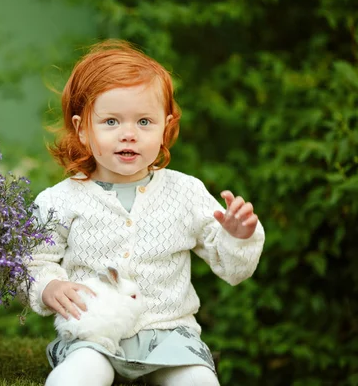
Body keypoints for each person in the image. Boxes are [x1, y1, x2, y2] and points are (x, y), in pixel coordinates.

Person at [25, 39, 265, 386]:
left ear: (165, 128)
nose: (128, 134)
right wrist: (49, 286)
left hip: (170, 332)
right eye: (110, 121)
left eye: (144, 121)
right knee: (81, 375)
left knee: (197, 380)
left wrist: (237, 237)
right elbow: (31, 260)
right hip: (94, 333)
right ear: (82, 129)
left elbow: (232, 268)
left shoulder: (185, 192)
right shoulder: (61, 200)